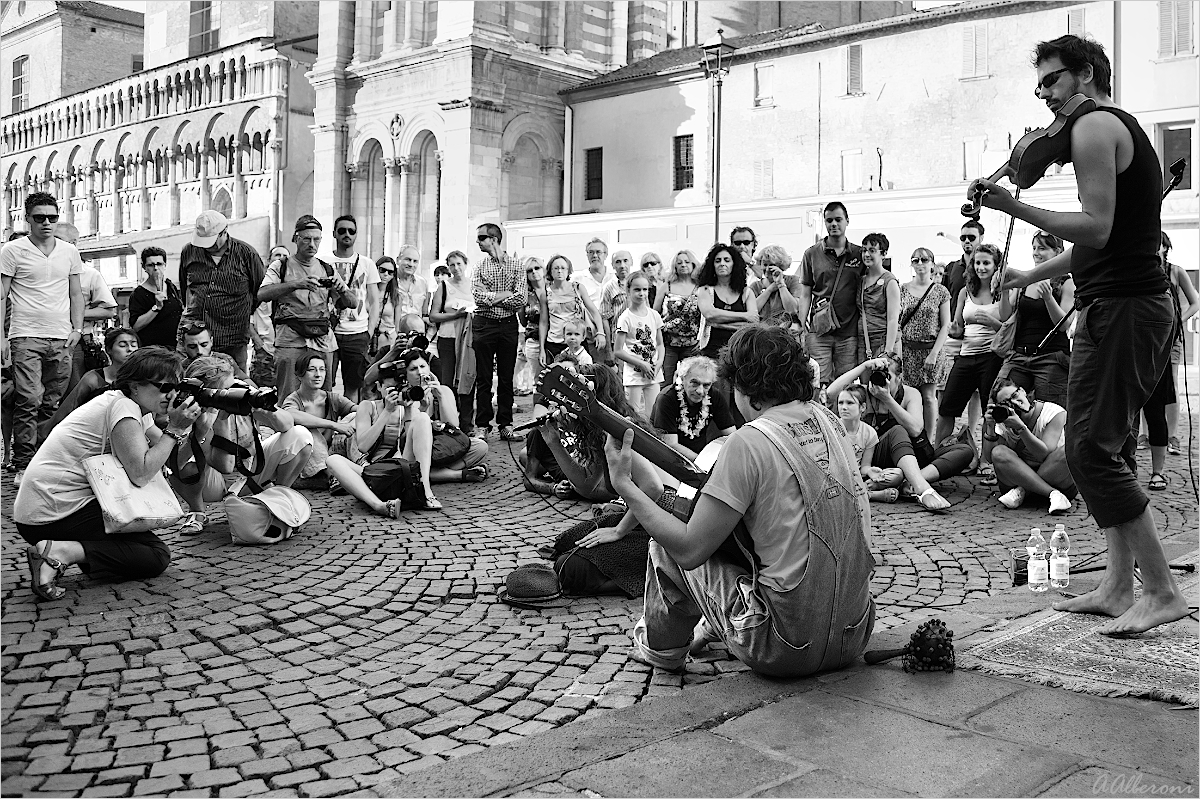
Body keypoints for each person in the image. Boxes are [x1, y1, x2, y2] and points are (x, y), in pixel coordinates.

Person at [977, 34, 1188, 634]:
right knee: (1108, 446)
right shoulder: (1108, 129)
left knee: (1091, 451)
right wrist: (1031, 271)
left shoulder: (1095, 126)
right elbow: (1106, 243)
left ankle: (1163, 590)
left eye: (1051, 81)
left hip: (1123, 309)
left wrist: (1013, 208)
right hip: (1116, 303)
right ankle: (1120, 586)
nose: (1043, 95)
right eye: (1040, 83)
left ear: (1086, 74)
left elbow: (1095, 228)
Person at [603, 324, 875, 677]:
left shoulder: (749, 442)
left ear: (743, 388)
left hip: (785, 646)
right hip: (854, 634)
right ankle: (713, 626)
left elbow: (688, 551)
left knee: (665, 545)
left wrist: (625, 484)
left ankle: (662, 653)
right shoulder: (832, 422)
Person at [15, 346, 202, 601]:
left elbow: (173, 457)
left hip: (45, 510)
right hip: (51, 512)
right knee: (154, 555)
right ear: (135, 385)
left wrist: (197, 427)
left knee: (140, 550)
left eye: (176, 387)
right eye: (164, 387)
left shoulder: (130, 405)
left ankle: (77, 551)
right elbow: (142, 472)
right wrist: (174, 429)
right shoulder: (123, 407)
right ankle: (59, 552)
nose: (172, 395)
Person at [329, 347, 490, 516]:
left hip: (403, 466)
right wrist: (386, 412)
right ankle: (378, 505)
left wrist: (412, 410)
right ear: (379, 386)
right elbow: (363, 446)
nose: (396, 393)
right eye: (390, 389)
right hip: (375, 470)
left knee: (422, 419)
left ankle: (426, 490)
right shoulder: (367, 407)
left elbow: (411, 441)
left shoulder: (410, 403)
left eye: (399, 388)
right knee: (333, 460)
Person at [169, 355, 312, 535]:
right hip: (214, 483)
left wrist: (267, 409)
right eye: (225, 390)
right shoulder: (192, 411)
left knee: (300, 436)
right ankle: (197, 511)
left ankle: (277, 497)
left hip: (251, 469)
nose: (230, 393)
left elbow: (287, 425)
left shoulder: (240, 392)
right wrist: (219, 421)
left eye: (232, 385)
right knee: (180, 464)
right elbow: (225, 466)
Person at [0, 193, 84, 487]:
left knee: (51, 402)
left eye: (52, 217)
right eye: (39, 218)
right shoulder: (12, 251)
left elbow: (76, 293)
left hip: (62, 337)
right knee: (28, 399)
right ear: (28, 219)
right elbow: (2, 295)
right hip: (25, 335)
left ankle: (41, 459)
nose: (47, 223)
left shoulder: (69, 252)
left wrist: (78, 328)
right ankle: (23, 462)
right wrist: (1, 337)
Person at [827, 355, 969, 512]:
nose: (880, 381)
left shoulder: (910, 394)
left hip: (914, 456)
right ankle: (922, 488)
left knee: (964, 451)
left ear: (900, 377)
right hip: (878, 458)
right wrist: (864, 366)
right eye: (876, 375)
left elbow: (915, 429)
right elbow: (831, 393)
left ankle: (908, 481)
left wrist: (888, 399)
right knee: (897, 430)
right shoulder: (865, 394)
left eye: (887, 376)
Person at [257, 216, 354, 399]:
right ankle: (288, 427)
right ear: (296, 238)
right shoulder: (281, 266)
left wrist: (342, 291)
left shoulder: (327, 269)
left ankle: (323, 428)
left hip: (322, 339)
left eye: (316, 239)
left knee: (324, 396)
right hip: (290, 338)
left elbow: (352, 303)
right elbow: (262, 294)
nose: (312, 244)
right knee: (288, 395)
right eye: (306, 239)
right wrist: (296, 284)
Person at [935, 242, 1005, 474]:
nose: (981, 267)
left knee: (990, 411)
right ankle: (939, 456)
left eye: (987, 263)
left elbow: (1009, 327)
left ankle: (986, 461)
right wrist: (950, 328)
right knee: (947, 408)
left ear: (997, 266)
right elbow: (957, 327)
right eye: (978, 263)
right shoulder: (966, 291)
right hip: (965, 356)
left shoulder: (1003, 291)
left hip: (992, 357)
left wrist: (992, 323)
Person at [1138, 231, 1198, 478]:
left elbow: (1195, 301)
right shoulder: (1141, 271)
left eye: (1159, 246)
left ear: (1165, 247)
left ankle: (1171, 435)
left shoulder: (1175, 271)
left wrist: (1178, 323)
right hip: (1146, 341)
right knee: (1143, 389)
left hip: (1170, 340)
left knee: (1168, 387)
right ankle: (1143, 433)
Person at [994, 232, 1074, 412]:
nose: (1036, 253)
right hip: (1019, 355)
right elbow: (1005, 316)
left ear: (1058, 252)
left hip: (1051, 358)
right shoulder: (1026, 280)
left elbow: (1064, 325)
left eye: (1042, 248)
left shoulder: (1066, 282)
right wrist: (1005, 291)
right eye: (1034, 248)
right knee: (1000, 405)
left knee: (1049, 413)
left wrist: (1048, 298)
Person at [178, 210, 265, 372]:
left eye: (210, 241)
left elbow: (259, 291)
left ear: (224, 232)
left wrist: (241, 313)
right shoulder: (189, 251)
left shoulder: (246, 254)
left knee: (234, 385)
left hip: (232, 335)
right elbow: (185, 289)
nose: (206, 246)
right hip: (193, 335)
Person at [983, 378, 1075, 514]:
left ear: (1023, 391)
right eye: (1006, 403)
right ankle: (1052, 493)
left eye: (1014, 396)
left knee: (1070, 450)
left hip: (1055, 477)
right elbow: (991, 457)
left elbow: (1044, 454)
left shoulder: (1054, 412)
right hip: (1017, 483)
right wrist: (990, 427)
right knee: (999, 452)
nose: (1014, 402)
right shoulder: (1003, 422)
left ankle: (1024, 489)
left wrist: (1021, 428)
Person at [797, 202, 865, 384]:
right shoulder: (811, 254)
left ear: (847, 221)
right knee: (818, 382)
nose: (833, 224)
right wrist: (801, 326)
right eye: (829, 220)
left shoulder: (860, 254)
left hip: (849, 332)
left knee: (845, 384)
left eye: (838, 219)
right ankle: (821, 414)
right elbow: (805, 294)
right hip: (819, 332)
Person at [471, 223, 524, 441]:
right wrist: (505, 294)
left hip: (508, 325)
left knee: (506, 376)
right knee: (483, 377)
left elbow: (520, 298)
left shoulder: (516, 265)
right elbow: (477, 297)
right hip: (484, 324)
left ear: (494, 239)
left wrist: (491, 296)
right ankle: (482, 425)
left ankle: (506, 424)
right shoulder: (479, 266)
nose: (478, 242)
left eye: (481, 237)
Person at [55, 223, 117, 397]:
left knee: (73, 396)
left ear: (74, 244)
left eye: (59, 240)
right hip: (42, 341)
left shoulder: (89, 274)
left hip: (75, 345)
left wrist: (73, 313)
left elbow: (109, 311)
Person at [42, 327, 140, 436]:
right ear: (108, 350)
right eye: (122, 345)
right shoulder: (93, 379)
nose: (130, 349)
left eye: (134, 345)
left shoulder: (143, 380)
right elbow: (66, 410)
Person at [937, 220, 986, 432]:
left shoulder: (988, 266)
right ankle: (945, 429)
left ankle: (971, 429)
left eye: (971, 237)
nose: (967, 241)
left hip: (978, 335)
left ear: (981, 239)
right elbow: (944, 298)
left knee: (975, 391)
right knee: (944, 385)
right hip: (954, 335)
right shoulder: (952, 268)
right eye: (963, 237)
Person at [898, 247, 952, 438]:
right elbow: (896, 321)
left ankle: (929, 439)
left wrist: (934, 354)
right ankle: (911, 435)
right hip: (907, 350)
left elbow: (946, 325)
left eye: (924, 260)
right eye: (916, 260)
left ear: (932, 263)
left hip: (930, 349)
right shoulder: (902, 289)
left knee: (929, 397)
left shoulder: (940, 291)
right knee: (908, 396)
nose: (920, 263)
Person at [279, 354, 357, 484]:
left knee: (355, 417)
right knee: (305, 430)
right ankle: (332, 477)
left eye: (322, 369)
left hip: (333, 453)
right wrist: (333, 425)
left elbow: (361, 411)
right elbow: (290, 414)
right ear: (299, 375)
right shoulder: (293, 400)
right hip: (308, 459)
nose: (318, 374)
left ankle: (360, 466)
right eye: (311, 370)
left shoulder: (333, 398)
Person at [328, 215, 382, 403]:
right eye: (342, 230)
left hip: (357, 333)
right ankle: (328, 425)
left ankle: (349, 427)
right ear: (334, 233)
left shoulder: (367, 263)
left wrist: (369, 330)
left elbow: (375, 301)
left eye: (351, 231)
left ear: (356, 235)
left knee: (353, 386)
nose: (347, 234)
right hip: (329, 332)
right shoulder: (323, 261)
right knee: (325, 385)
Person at [650, 355, 735, 461]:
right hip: (669, 459)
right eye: (695, 383)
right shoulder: (667, 398)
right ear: (682, 378)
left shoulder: (714, 396)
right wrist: (703, 463)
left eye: (706, 385)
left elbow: (731, 434)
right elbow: (670, 444)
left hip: (699, 457)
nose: (700, 391)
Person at [429, 249, 476, 429]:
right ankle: (448, 422)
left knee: (467, 378)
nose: (456, 268)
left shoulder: (474, 285)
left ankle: (467, 423)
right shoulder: (444, 286)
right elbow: (433, 315)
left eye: (459, 264)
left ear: (465, 265)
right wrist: (454, 315)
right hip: (448, 338)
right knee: (447, 381)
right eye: (452, 264)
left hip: (468, 339)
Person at [614, 272, 665, 417]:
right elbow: (618, 350)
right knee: (634, 415)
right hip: (634, 376)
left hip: (653, 373)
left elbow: (660, 344)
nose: (641, 293)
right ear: (628, 290)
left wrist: (659, 362)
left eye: (645, 289)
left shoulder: (654, 315)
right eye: (637, 290)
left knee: (654, 414)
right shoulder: (625, 318)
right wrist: (641, 364)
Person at [539, 253, 601, 365]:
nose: (559, 271)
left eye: (563, 268)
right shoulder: (546, 293)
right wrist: (542, 349)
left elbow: (594, 311)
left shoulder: (578, 288)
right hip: (554, 342)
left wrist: (600, 333)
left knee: (581, 375)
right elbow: (543, 322)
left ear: (568, 270)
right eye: (556, 268)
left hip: (577, 340)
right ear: (550, 271)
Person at [654, 249, 702, 386]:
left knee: (692, 382)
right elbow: (655, 313)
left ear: (693, 264)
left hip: (692, 344)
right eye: (679, 262)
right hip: (668, 343)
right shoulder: (667, 286)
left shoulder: (700, 287)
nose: (683, 265)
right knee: (665, 382)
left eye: (687, 262)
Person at [129, 246, 184, 350]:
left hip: (175, 348)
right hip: (152, 350)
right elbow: (136, 326)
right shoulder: (139, 294)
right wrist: (156, 308)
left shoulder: (171, 287)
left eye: (159, 264)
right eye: (150, 265)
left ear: (165, 265)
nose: (155, 268)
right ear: (144, 267)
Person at [857, 233, 900, 359]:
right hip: (863, 341)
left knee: (885, 378)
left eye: (872, 250)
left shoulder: (889, 281)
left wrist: (888, 351)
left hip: (883, 342)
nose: (866, 254)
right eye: (864, 250)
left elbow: (893, 319)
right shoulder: (861, 280)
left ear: (884, 254)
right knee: (863, 379)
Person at [249, 245, 287, 388]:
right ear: (269, 260)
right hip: (264, 351)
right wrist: (258, 342)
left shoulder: (290, 287)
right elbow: (247, 317)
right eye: (277, 255)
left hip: (286, 348)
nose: (281, 258)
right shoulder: (259, 288)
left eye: (285, 256)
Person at [574, 238, 613, 363]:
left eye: (598, 252)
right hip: (591, 334)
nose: (594, 256)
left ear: (605, 255)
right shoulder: (578, 278)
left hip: (614, 332)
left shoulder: (614, 277)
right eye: (591, 252)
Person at [514, 257, 546, 396]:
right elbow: (522, 320)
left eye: (537, 268)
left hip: (556, 338)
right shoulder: (525, 295)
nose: (534, 272)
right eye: (529, 270)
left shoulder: (553, 288)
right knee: (538, 381)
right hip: (534, 339)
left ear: (543, 269)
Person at [750, 245, 802, 329]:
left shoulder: (793, 281)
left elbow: (792, 310)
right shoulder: (755, 286)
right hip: (762, 333)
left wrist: (781, 285)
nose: (767, 269)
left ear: (781, 266)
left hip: (787, 332)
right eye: (765, 264)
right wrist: (769, 290)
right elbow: (752, 312)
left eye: (771, 265)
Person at [394, 244, 431, 338]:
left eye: (415, 261)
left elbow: (424, 313)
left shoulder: (422, 283)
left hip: (416, 337)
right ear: (398, 260)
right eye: (408, 259)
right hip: (394, 335)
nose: (411, 264)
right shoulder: (390, 281)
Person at [373, 256, 399, 355]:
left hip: (388, 339)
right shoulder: (367, 292)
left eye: (390, 272)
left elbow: (397, 324)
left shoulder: (395, 295)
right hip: (369, 340)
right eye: (382, 270)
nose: (385, 274)